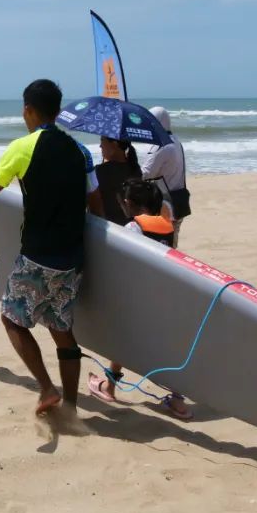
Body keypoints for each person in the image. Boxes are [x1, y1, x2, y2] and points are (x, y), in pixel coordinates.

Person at [0, 79, 91, 416]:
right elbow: (90, 200)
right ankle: (70, 403)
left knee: (12, 319)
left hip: (38, 255)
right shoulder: (78, 150)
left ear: (28, 110)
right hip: (72, 258)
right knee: (61, 329)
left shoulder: (23, 147)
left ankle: (46, 388)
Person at [88, 179, 192, 420]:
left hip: (138, 295)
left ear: (127, 203)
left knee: (121, 343)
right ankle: (178, 401)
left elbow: (123, 261)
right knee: (168, 349)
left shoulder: (133, 227)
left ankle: (109, 387)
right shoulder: (168, 225)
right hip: (163, 294)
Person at [139, 106, 190, 247]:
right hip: (178, 201)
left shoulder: (162, 146)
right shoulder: (175, 141)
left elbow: (145, 173)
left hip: (165, 205)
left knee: (162, 246)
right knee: (172, 244)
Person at [95, 136, 140, 226]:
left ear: (114, 145)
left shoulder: (101, 171)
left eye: (102, 141)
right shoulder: (135, 168)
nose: (100, 146)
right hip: (131, 225)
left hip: (108, 227)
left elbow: (95, 205)